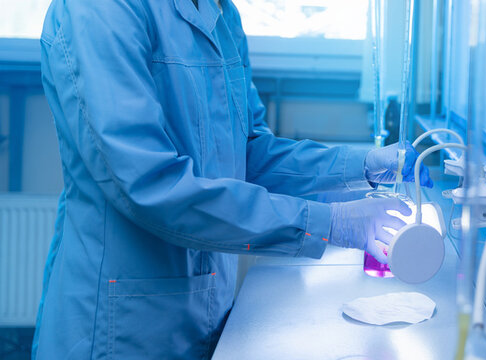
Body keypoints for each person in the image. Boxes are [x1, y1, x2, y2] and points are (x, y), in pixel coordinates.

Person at [32, 0, 433, 358]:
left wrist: (362, 165)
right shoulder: (99, 10)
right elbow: (150, 185)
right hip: (122, 325)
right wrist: (332, 223)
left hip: (207, 312)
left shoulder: (221, 15)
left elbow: (247, 154)